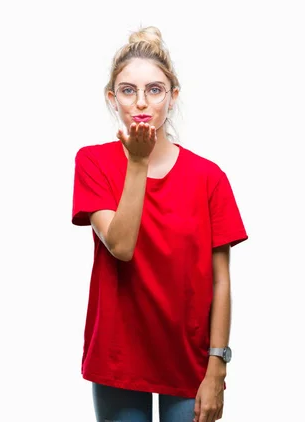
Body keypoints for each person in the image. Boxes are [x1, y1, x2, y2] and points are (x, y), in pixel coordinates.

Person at [71, 26, 248, 422]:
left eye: (154, 89)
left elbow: (221, 280)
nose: (141, 102)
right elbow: (121, 246)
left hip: (189, 358)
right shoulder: (93, 163)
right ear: (111, 97)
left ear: (173, 96)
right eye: (128, 90)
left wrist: (217, 366)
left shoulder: (209, 177)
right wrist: (137, 163)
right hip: (119, 356)